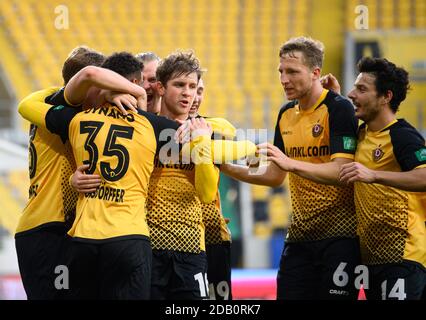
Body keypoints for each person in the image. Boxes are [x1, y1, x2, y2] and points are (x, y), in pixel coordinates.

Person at [18, 52, 203, 299]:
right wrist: (198, 135)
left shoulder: (74, 118)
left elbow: (26, 105)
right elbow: (26, 104)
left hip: (80, 234)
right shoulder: (78, 111)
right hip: (56, 227)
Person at [221, 36, 361, 300]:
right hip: (299, 235)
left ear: (315, 73)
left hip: (340, 237)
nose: (284, 79)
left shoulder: (338, 108)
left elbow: (343, 171)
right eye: (281, 72)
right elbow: (274, 176)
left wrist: (291, 164)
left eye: (293, 72)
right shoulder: (286, 113)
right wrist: (227, 168)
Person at [14, 46, 106, 300]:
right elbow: (26, 104)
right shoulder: (62, 107)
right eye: (102, 82)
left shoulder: (54, 107)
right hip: (46, 228)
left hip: (59, 227)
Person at [338, 57, 426, 300]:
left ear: (386, 97)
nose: (351, 94)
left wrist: (374, 175)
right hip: (372, 258)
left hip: (403, 255)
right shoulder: (363, 132)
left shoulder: (403, 136)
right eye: (354, 87)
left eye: (362, 89)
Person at [188, 76, 233, 300]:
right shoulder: (155, 128)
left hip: (213, 235)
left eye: (199, 90)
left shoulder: (216, 127)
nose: (194, 97)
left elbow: (239, 164)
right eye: (188, 88)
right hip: (176, 237)